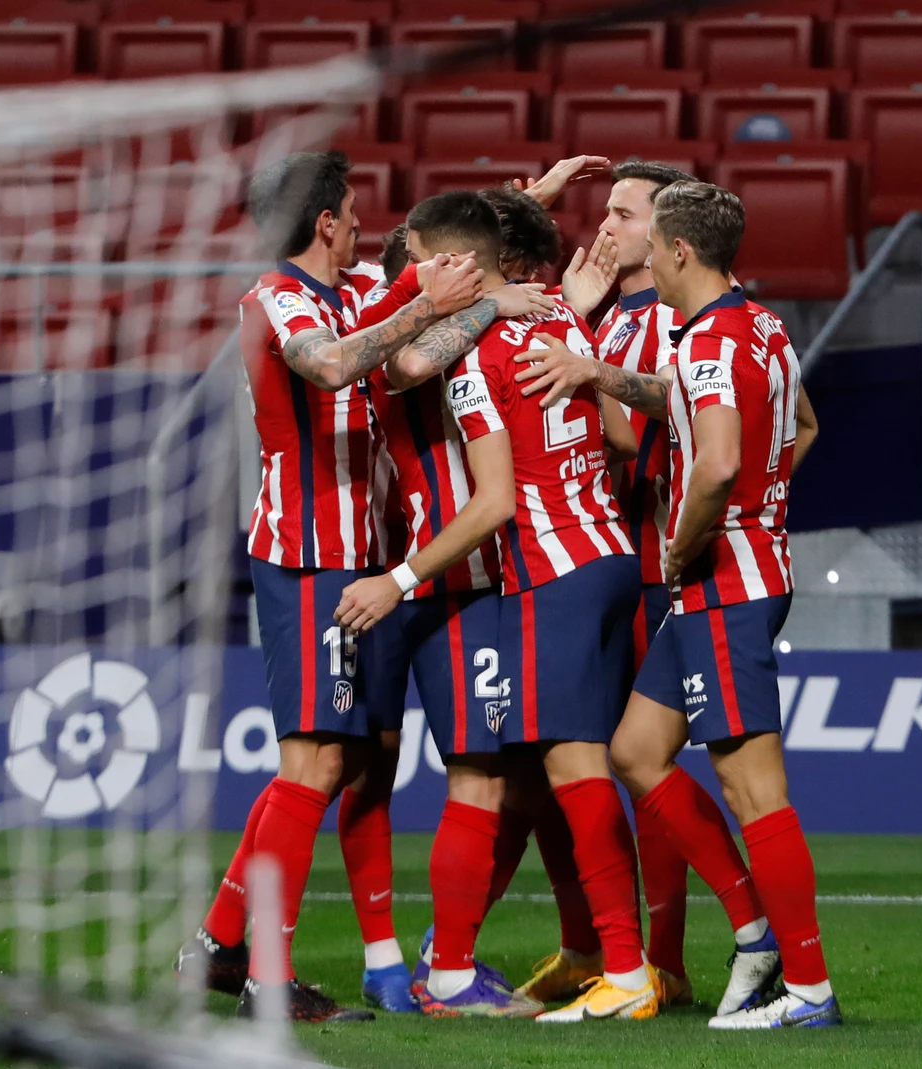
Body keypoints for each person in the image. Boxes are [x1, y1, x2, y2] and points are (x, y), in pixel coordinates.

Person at [174, 149, 524, 1023]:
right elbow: (330, 368)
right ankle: (263, 974)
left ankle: (218, 946)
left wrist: (496, 249)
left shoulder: (353, 289)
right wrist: (427, 306)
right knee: (318, 759)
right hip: (304, 556)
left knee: (339, 758)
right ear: (325, 219)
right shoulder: (278, 299)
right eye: (353, 209)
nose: (366, 220)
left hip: (352, 556)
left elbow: (421, 274)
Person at [338, 190, 658, 1024]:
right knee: (497, 775)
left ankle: (511, 962)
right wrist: (506, 293)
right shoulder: (468, 329)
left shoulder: (489, 341)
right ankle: (491, 959)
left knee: (511, 775)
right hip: (461, 581)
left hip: (502, 575)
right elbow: (403, 361)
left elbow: (495, 498)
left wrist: (500, 288)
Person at [537, 181, 834, 1029]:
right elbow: (802, 425)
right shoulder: (760, 326)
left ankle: (807, 988)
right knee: (636, 749)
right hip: (733, 573)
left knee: (755, 790)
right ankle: (753, 934)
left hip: (721, 583)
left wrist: (692, 535)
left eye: (650, 241)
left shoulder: (706, 345)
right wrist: (598, 369)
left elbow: (714, 461)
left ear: (678, 252)